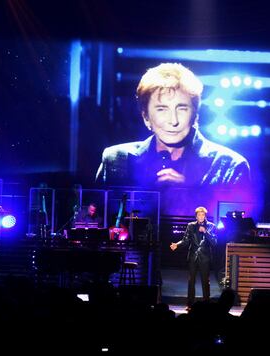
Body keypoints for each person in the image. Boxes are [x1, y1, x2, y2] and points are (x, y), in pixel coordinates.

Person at [96, 63, 250, 187]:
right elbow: (93, 219)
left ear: (195, 114)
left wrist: (189, 195)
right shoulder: (115, 161)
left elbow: (237, 225)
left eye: (182, 108)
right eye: (162, 109)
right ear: (146, 117)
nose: (173, 120)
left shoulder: (231, 166)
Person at [170, 206, 217, 310]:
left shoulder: (211, 226)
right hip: (193, 257)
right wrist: (177, 245)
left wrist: (205, 232)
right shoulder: (190, 226)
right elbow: (185, 240)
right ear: (196, 216)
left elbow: (214, 242)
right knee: (191, 281)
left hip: (205, 257)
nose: (201, 217)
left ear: (205, 216)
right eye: (199, 215)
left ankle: (206, 304)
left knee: (205, 281)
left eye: (203, 215)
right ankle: (190, 304)